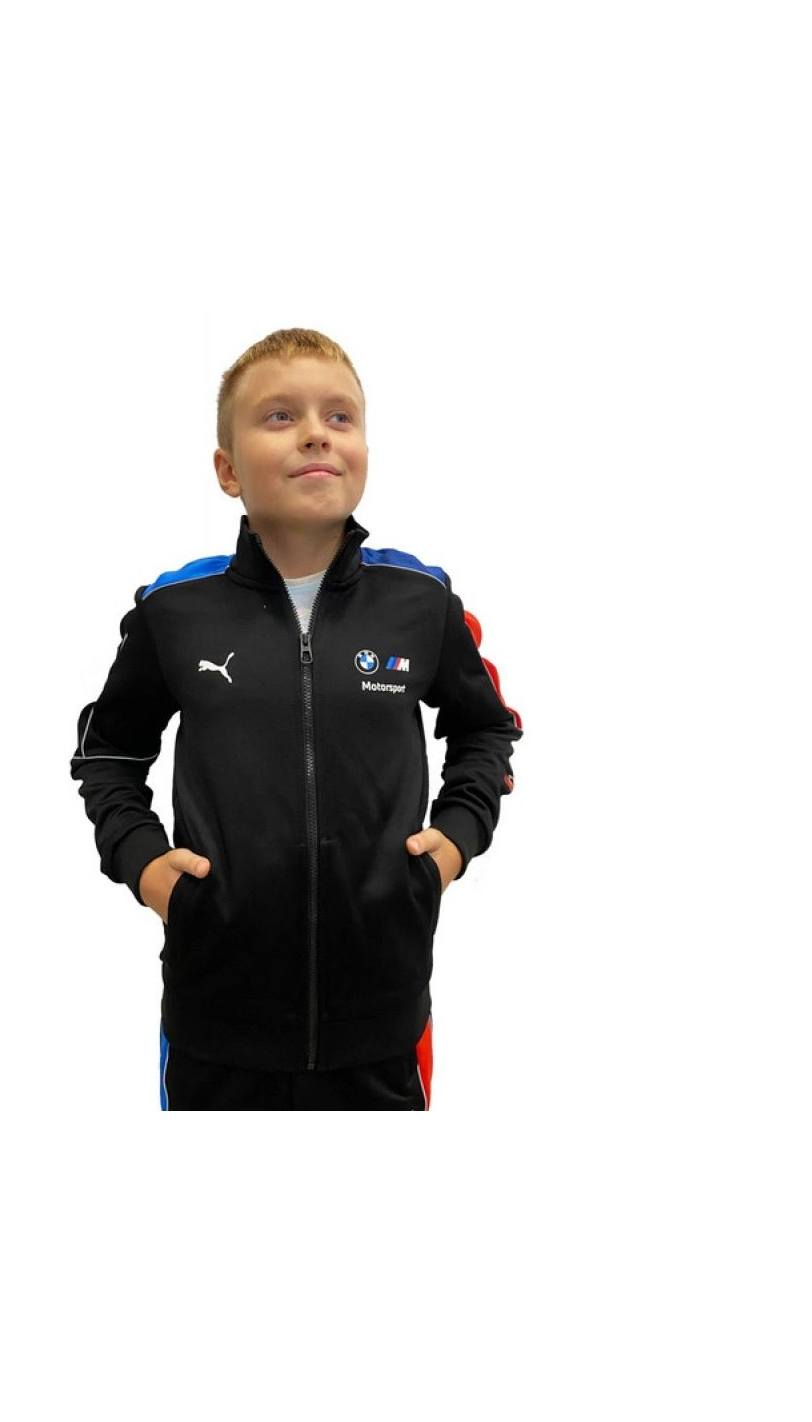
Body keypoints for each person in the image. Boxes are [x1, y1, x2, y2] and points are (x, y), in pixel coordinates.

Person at [70, 328, 523, 1110]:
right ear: (228, 470)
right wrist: (143, 863)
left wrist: (454, 841)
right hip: (216, 1027)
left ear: (365, 450)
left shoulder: (423, 603)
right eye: (280, 416)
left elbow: (487, 728)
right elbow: (108, 753)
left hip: (382, 1026)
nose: (316, 432)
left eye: (340, 416)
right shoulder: (173, 611)